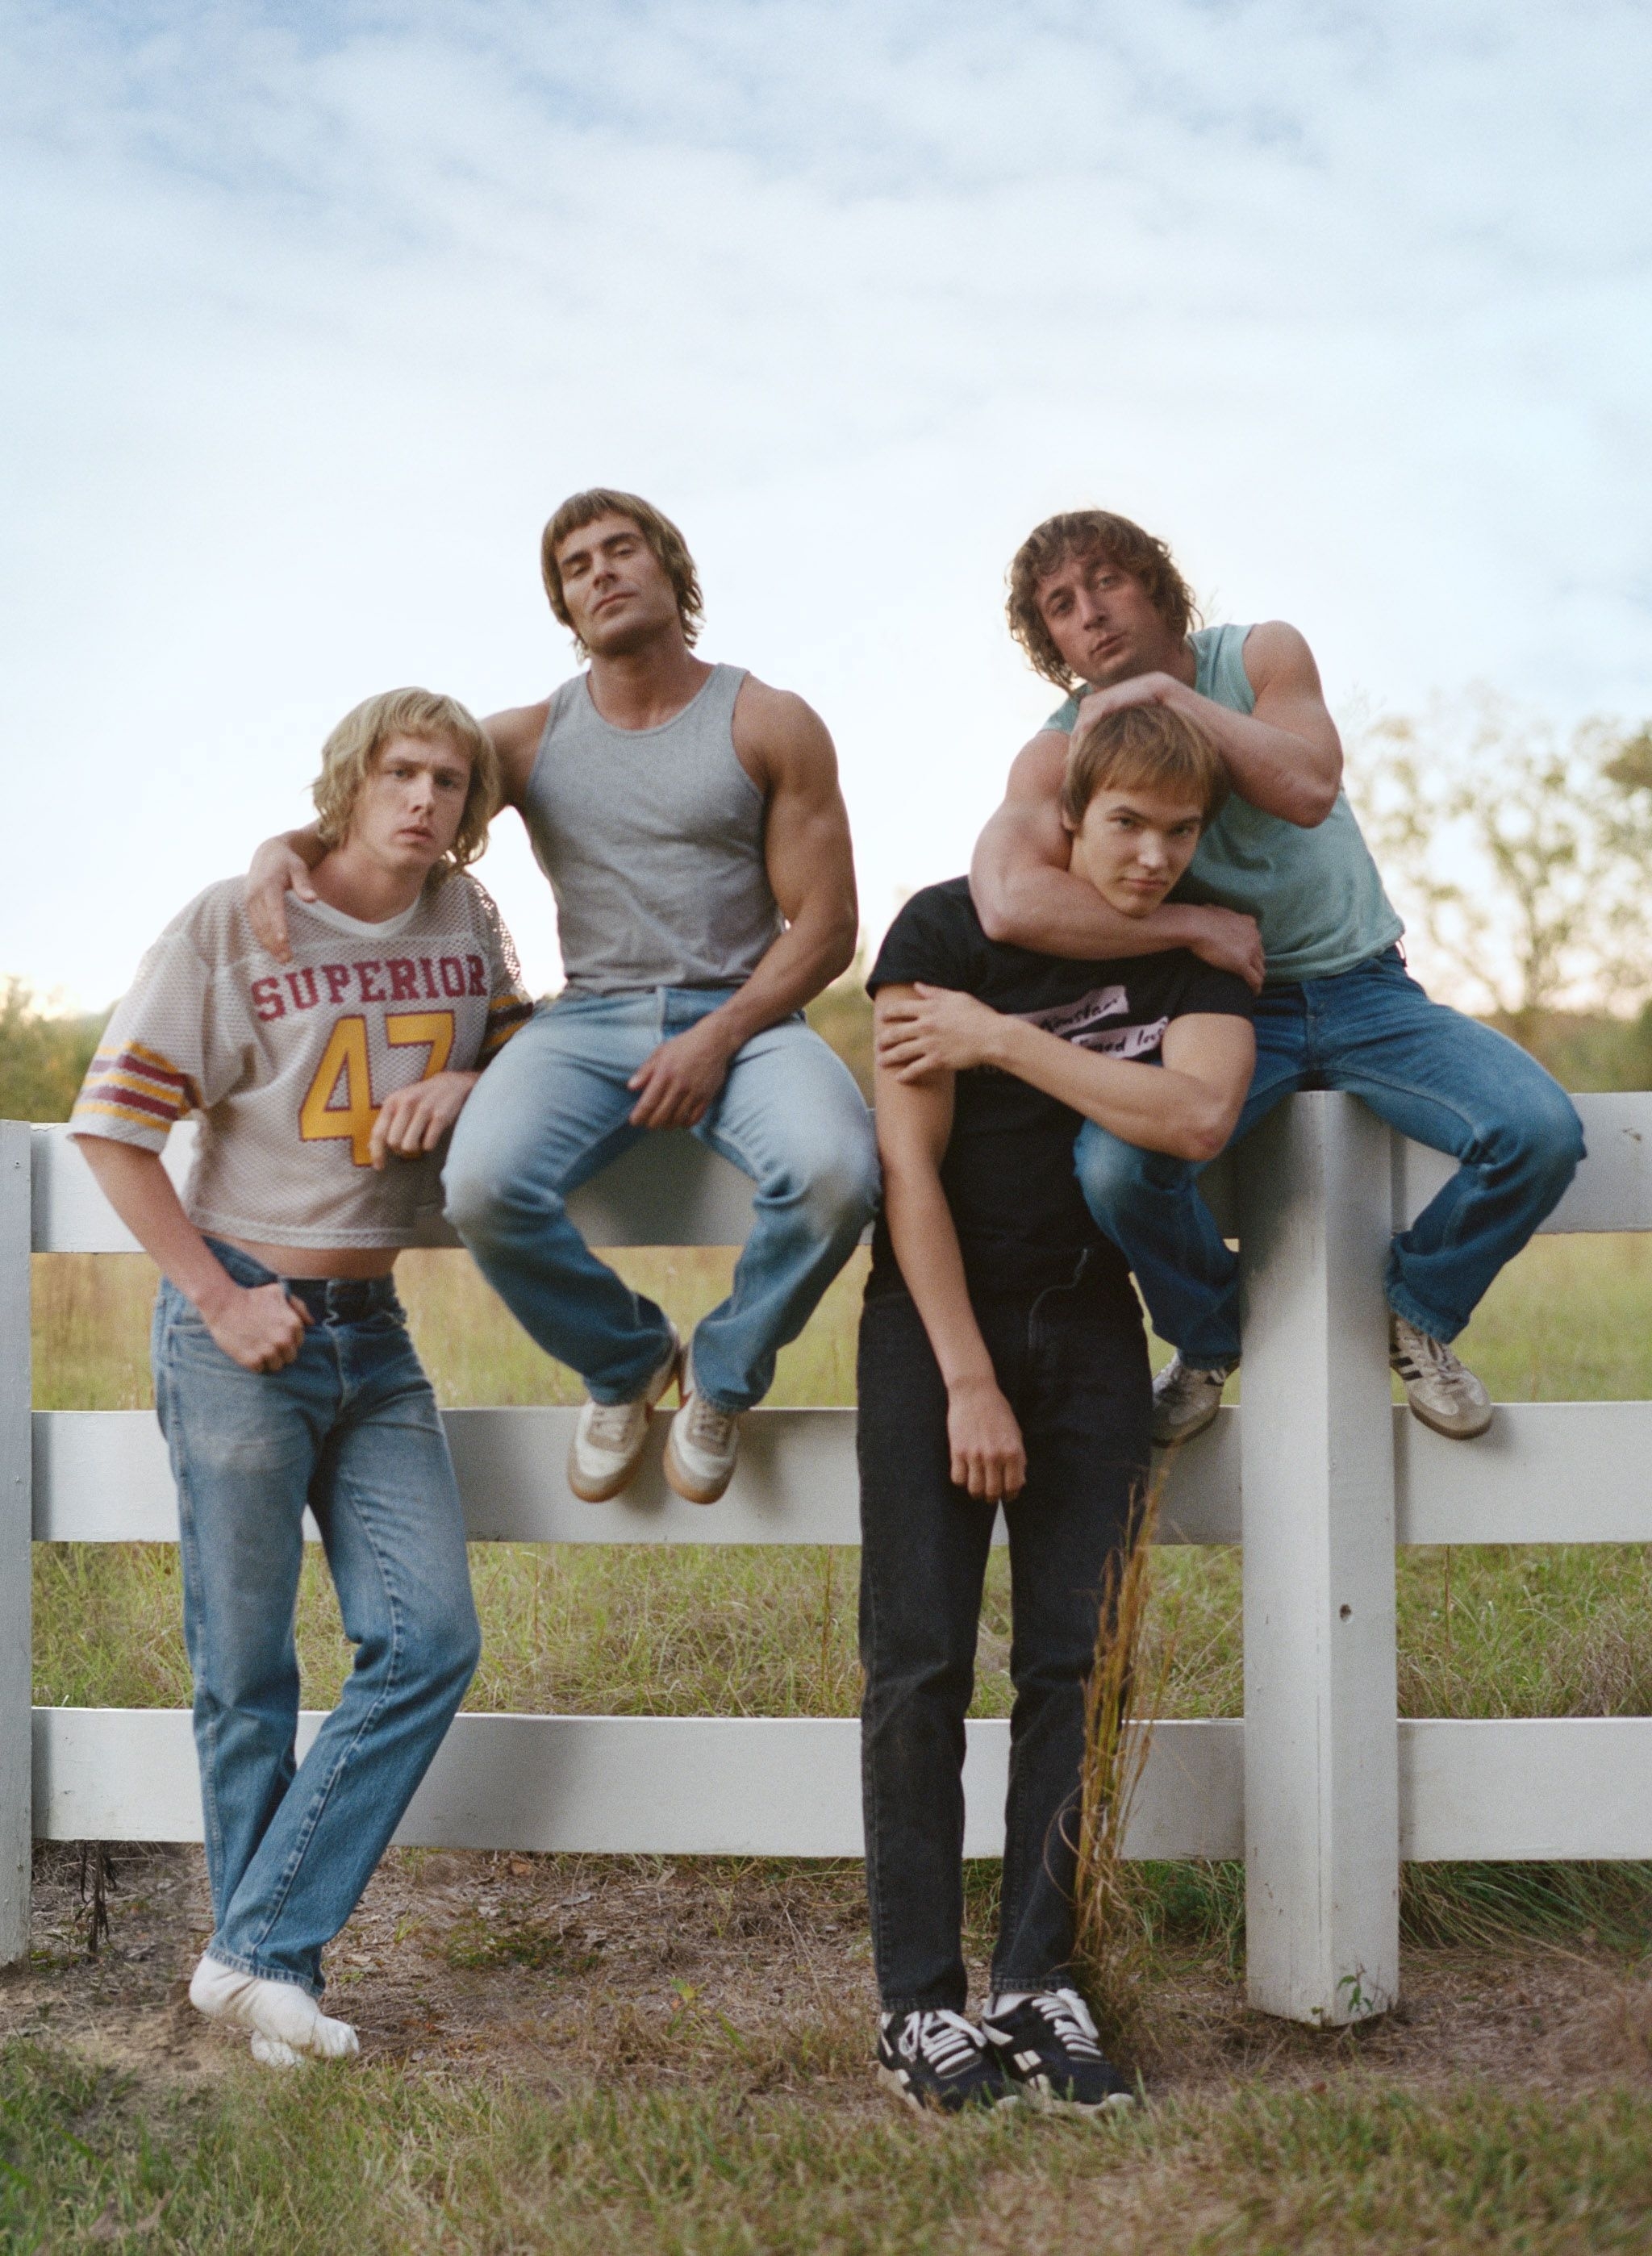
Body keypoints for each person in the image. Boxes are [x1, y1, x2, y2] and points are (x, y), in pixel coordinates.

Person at [248, 490, 878, 1507]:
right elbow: (396, 796)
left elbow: (829, 929)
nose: (600, 572)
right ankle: (628, 1359)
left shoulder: (767, 720)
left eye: (619, 550)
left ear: (671, 569)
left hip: (750, 1016)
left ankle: (719, 1375)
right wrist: (286, 847)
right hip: (588, 1020)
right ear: (565, 608)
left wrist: (717, 1038)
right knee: (483, 1187)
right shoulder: (531, 740)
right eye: (575, 567)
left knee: (837, 1172)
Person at [71, 689, 532, 2066]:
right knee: (246, 1668)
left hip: (373, 1332)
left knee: (430, 1637)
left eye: (449, 780)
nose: (424, 800)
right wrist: (217, 1296)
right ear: (345, 785)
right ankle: (279, 1972)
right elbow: (112, 1128)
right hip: (240, 1327)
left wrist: (476, 1079)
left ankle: (249, 1949)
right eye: (399, 772)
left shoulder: (469, 921)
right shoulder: (240, 916)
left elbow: (517, 1036)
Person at [971, 510, 1585, 1445]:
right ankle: (1207, 1340)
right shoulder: (1059, 749)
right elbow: (1009, 901)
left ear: (1154, 586)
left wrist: (1166, 701)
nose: (1088, 614)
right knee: (1116, 1167)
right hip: (1216, 1007)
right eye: (1060, 605)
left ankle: (1418, 1307)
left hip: (1364, 987)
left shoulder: (1259, 655)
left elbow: (1306, 788)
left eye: (1105, 582)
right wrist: (1189, 922)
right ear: (1048, 638)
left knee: (1537, 1130)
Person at [861, 701, 1255, 2112]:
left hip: (1096, 1330)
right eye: (1124, 826)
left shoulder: (1203, 952)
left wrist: (1000, 1041)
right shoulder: (938, 932)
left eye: (1176, 832)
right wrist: (965, 1374)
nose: (1150, 858)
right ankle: (915, 2002)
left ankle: (1036, 1980)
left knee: (1067, 1668)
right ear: (1068, 818)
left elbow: (1192, 1119)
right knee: (916, 1666)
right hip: (935, 1326)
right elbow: (909, 1174)